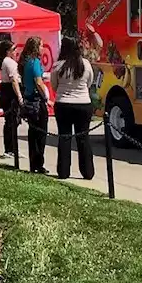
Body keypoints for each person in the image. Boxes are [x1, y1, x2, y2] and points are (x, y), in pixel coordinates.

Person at [49, 37, 95, 180]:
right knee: (83, 138)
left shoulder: (58, 65)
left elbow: (54, 85)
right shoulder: (85, 64)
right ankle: (87, 172)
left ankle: (63, 171)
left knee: (65, 137)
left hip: (63, 103)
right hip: (83, 103)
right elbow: (89, 82)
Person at [20, 37, 51, 174]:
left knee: (32, 133)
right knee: (40, 133)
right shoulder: (34, 62)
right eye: (41, 46)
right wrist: (45, 97)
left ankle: (34, 163)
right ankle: (39, 163)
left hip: (29, 99)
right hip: (37, 101)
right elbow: (38, 81)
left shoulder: (25, 62)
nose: (42, 48)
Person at [0, 40, 22, 157]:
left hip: (6, 91)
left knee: (12, 121)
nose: (16, 52)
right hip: (9, 93)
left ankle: (12, 148)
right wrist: (19, 96)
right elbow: (14, 80)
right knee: (11, 121)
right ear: (8, 51)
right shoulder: (9, 62)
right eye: (13, 49)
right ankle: (10, 149)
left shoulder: (7, 61)